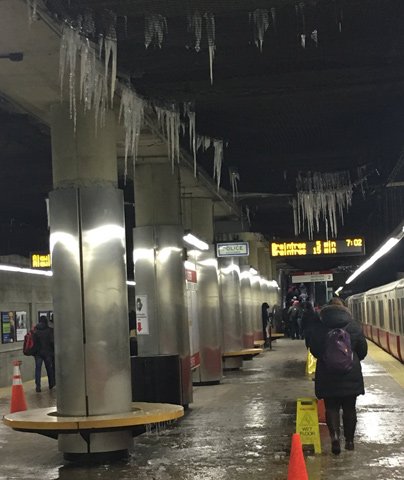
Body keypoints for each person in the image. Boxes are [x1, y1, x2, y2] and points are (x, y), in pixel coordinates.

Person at [310, 302, 368, 455]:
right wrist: (351, 359)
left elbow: (315, 351)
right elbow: (363, 350)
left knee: (331, 407)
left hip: (327, 373)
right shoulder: (353, 326)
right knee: (349, 408)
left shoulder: (320, 327)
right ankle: (349, 441)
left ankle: (335, 437)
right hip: (351, 373)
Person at [34, 316, 55, 392]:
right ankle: (51, 384)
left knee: (38, 369)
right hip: (47, 353)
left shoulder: (36, 330)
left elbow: (34, 343)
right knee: (49, 369)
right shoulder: (49, 330)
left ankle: (38, 386)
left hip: (38, 354)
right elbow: (52, 342)